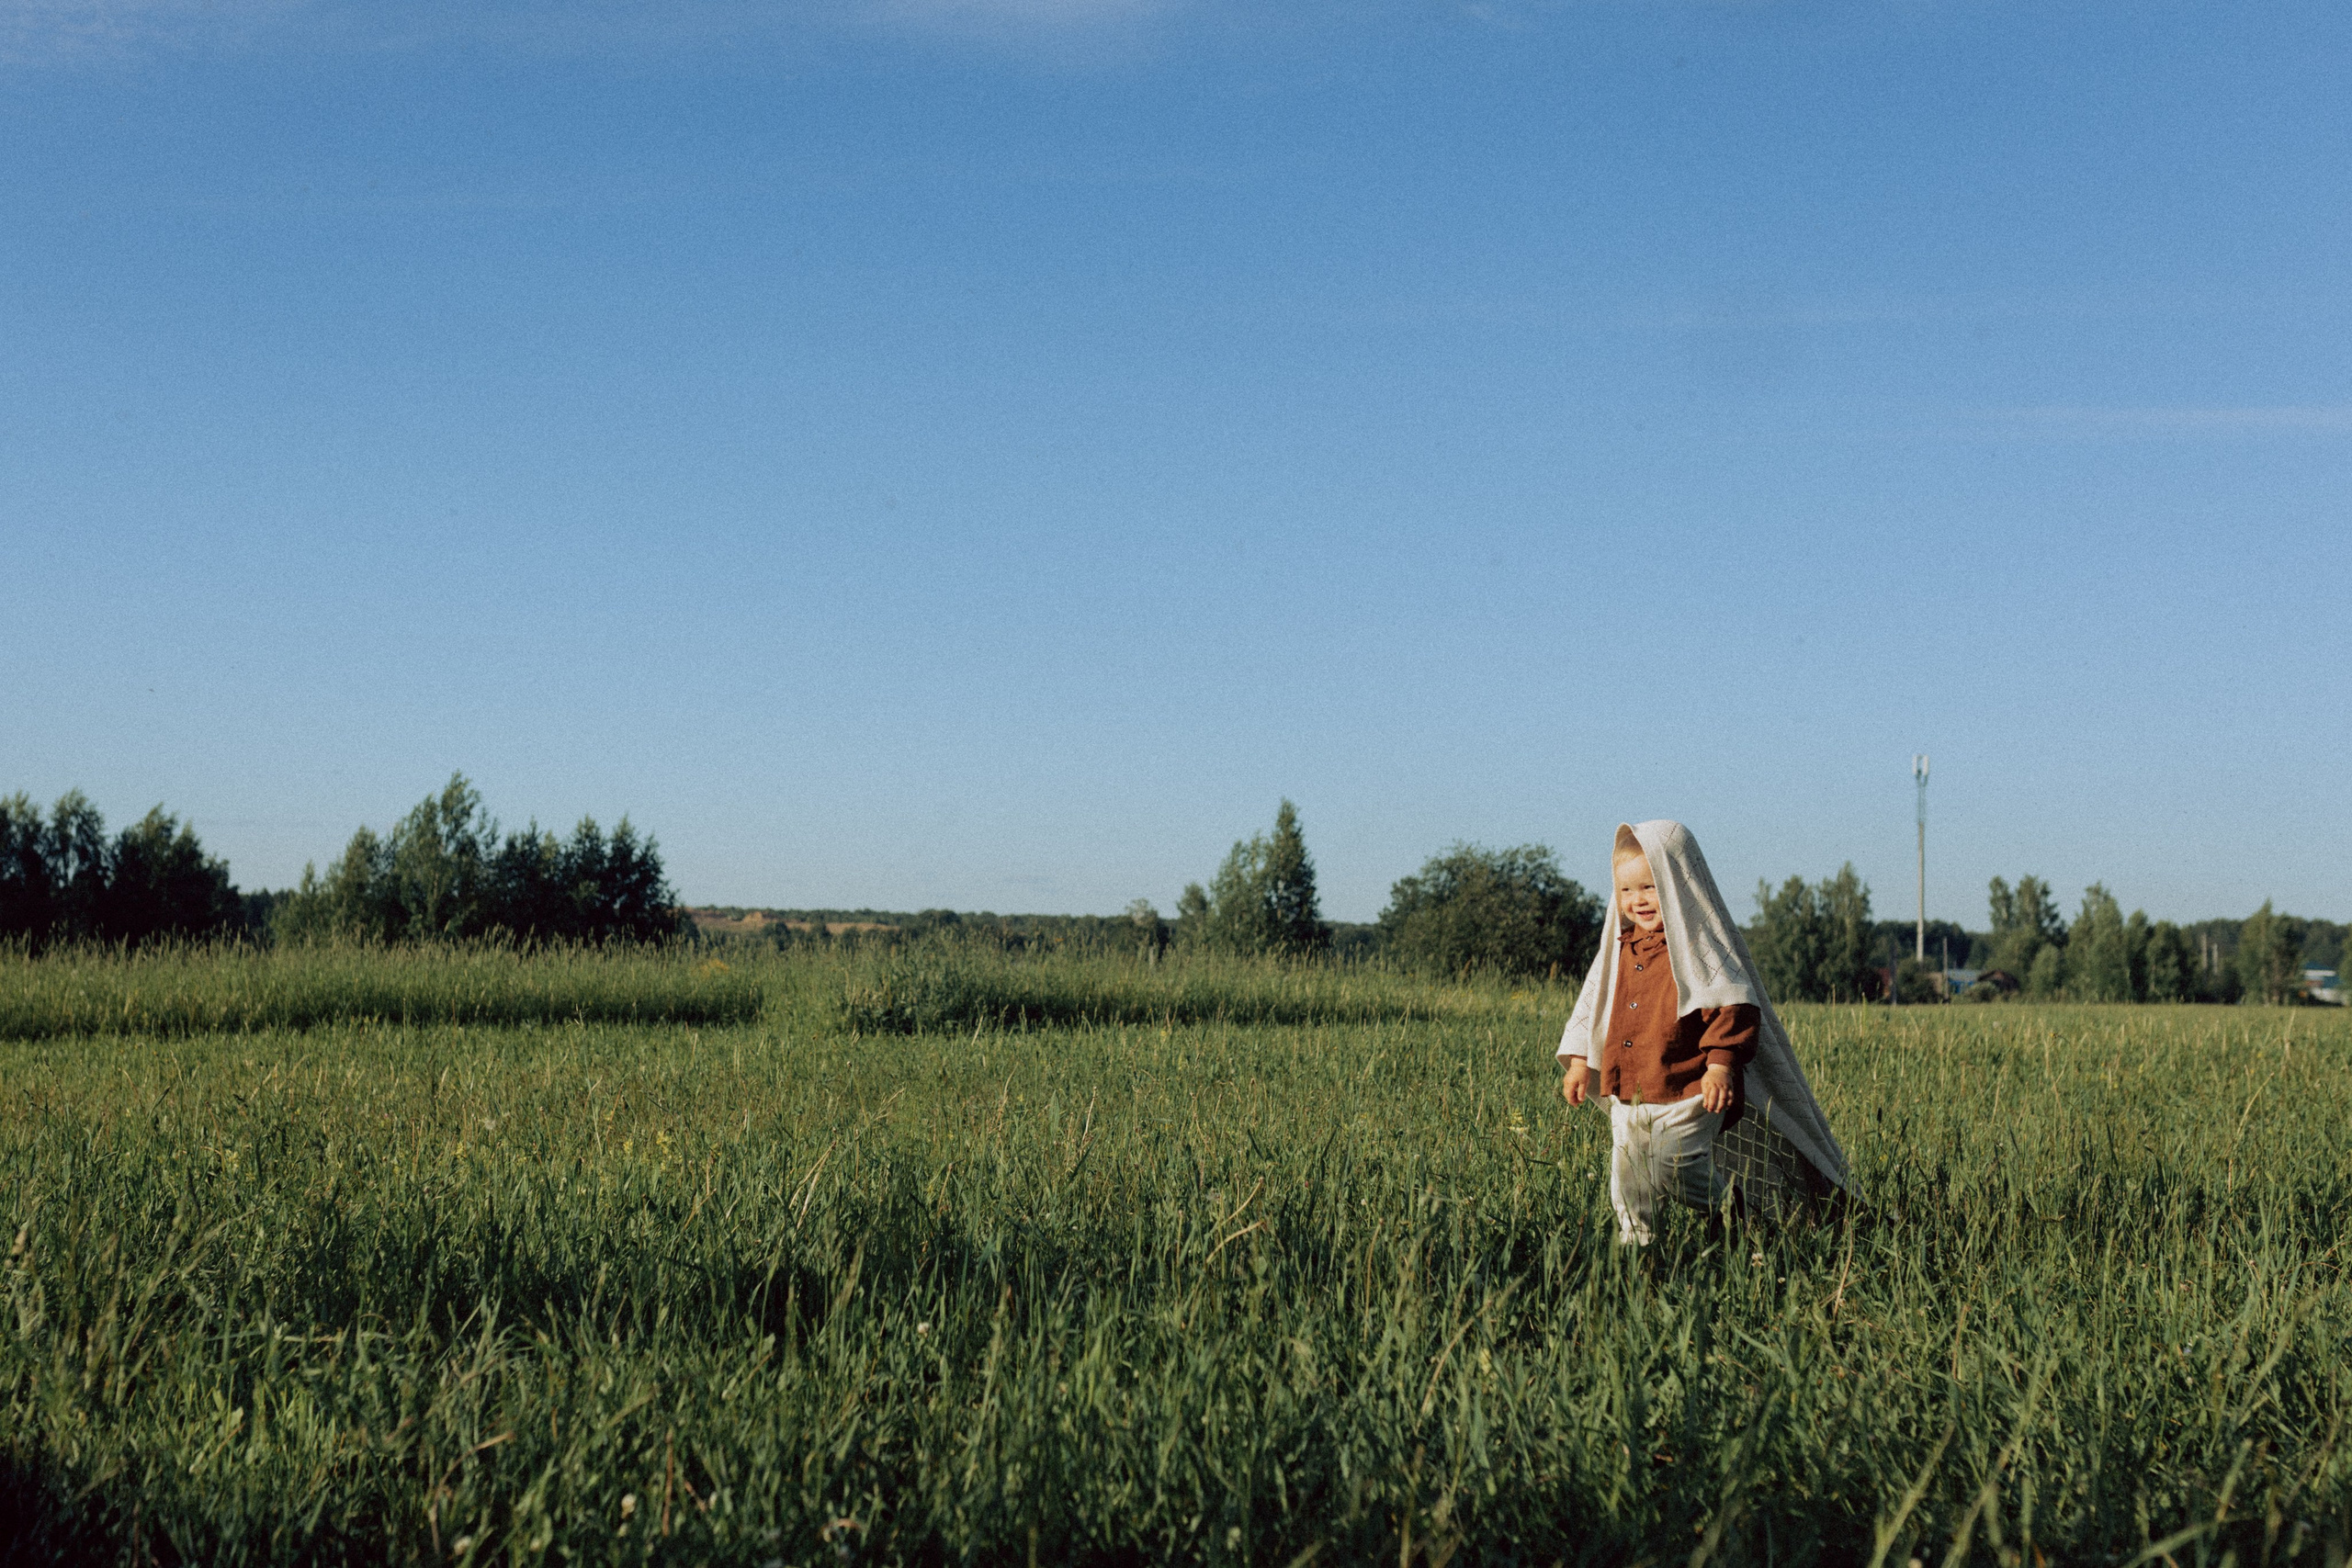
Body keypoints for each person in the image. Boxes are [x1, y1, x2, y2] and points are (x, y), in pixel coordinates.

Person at [1559, 820, 1850, 1246]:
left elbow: (1733, 1006)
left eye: (1650, 887)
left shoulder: (1699, 948)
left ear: (1677, 885)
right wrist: (1581, 1061)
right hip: (1630, 1086)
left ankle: (1732, 1214)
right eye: (1626, 891)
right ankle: (1639, 1246)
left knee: (1673, 1162)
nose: (1637, 900)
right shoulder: (1619, 949)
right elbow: (1594, 1004)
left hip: (1689, 1084)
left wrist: (1720, 1064)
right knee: (1628, 1174)